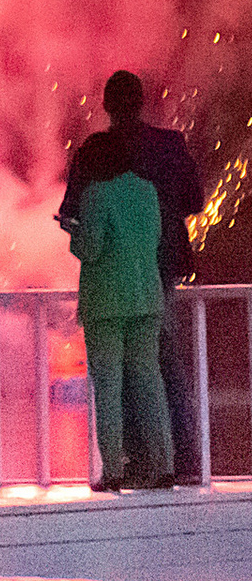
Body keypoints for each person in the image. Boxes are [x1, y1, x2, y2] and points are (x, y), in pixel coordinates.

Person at [61, 72, 205, 484]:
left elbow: (75, 215)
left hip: (109, 282)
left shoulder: (95, 154)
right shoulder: (169, 145)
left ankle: (127, 463)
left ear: (107, 105)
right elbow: (194, 201)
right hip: (157, 273)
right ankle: (178, 460)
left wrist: (80, 231)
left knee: (113, 378)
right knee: (160, 368)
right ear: (142, 102)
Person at [68, 136, 174, 491]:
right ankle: (163, 465)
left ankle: (113, 470)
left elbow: (91, 248)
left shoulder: (96, 194)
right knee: (150, 383)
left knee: (109, 387)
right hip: (146, 295)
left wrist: (74, 232)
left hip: (106, 302)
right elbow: (154, 239)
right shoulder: (148, 191)